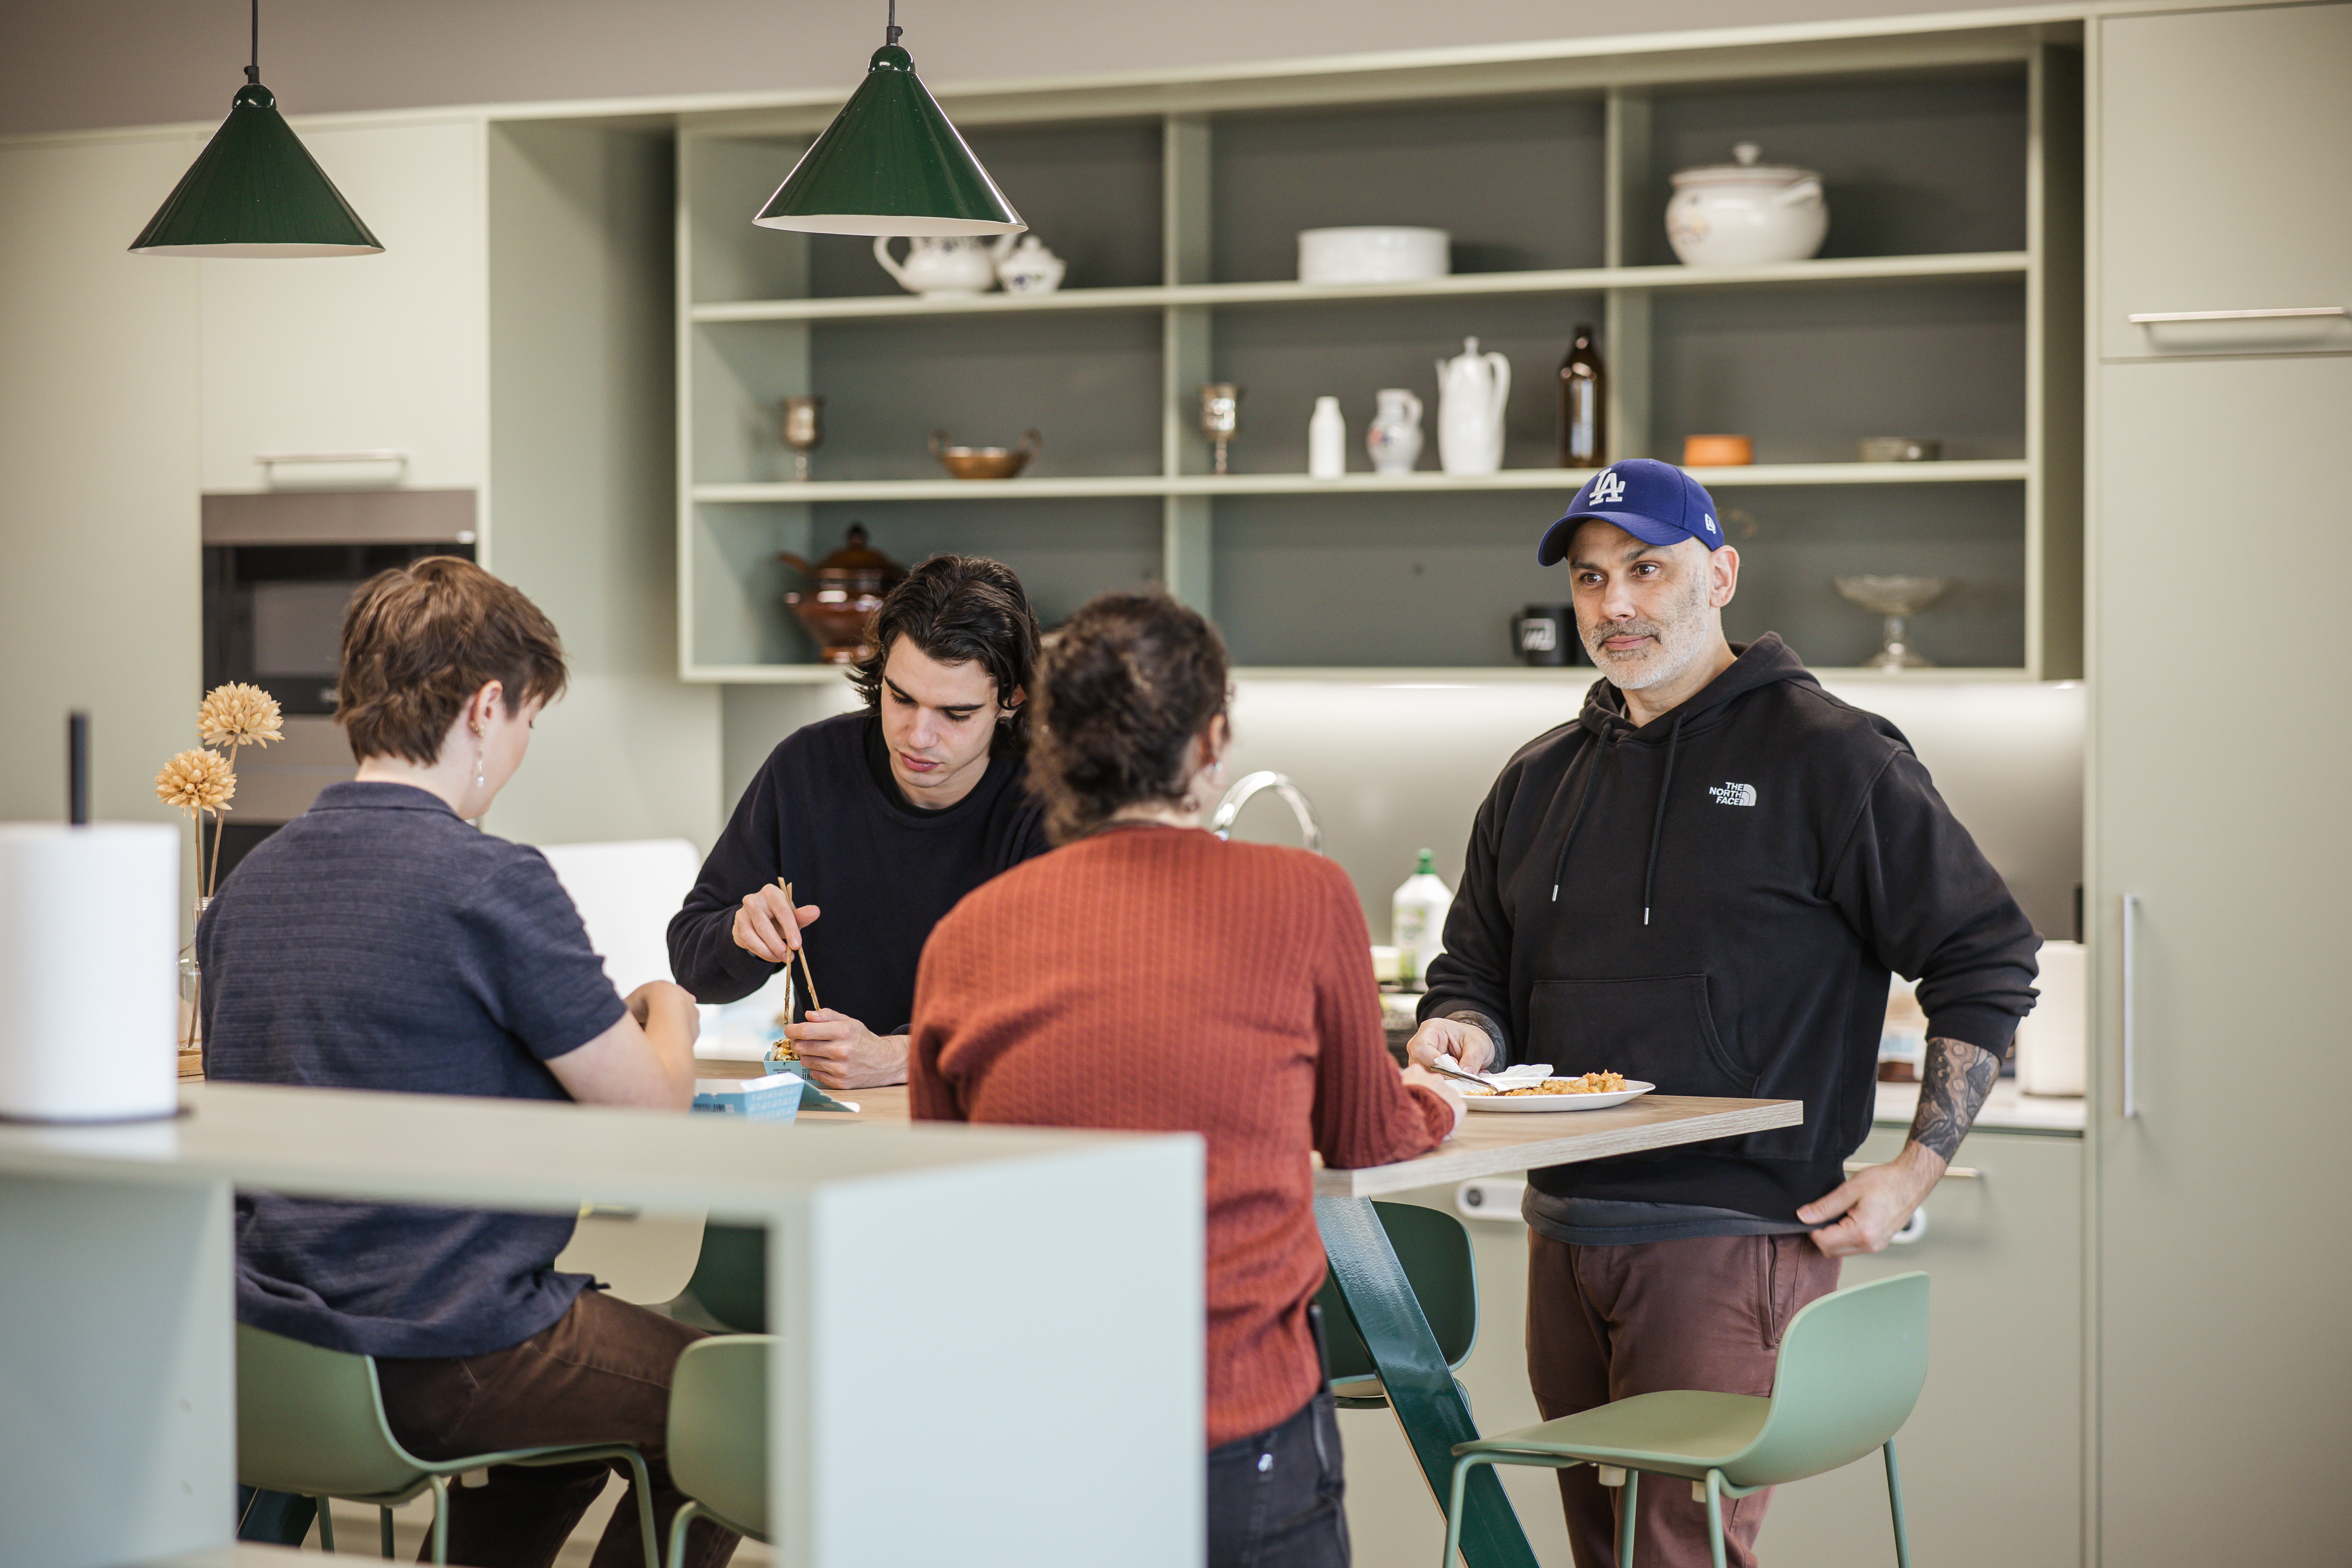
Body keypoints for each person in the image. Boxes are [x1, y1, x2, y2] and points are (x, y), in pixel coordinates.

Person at [1408, 459, 2039, 1568]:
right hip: (1563, 1232)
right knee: (1600, 1549)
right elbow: (1475, 972)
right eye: (1593, 578)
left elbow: (1983, 952)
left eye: (1647, 569)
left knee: (1679, 1553)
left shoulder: (1831, 757)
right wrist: (1460, 1025)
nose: (1615, 605)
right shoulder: (1538, 776)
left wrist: (1914, 1167)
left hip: (1733, 1238)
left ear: (1722, 573)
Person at [908, 591, 1465, 1568]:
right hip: (1237, 1425)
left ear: (1042, 740)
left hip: (1035, 1438)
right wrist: (1437, 1100)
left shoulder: (965, 935)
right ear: (1211, 742)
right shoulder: (1303, 894)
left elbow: (944, 1205)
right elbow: (1369, 1134)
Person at [199, 557, 733, 1568]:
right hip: (443, 1351)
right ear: (487, 706)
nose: (522, 745)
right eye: (529, 720)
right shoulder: (491, 882)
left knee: (571, 1417)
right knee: (732, 1408)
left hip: (270, 1353)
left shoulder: (249, 883)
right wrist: (672, 1011)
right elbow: (654, 1117)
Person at [668, 554, 1050, 1088]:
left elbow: (1059, 1016)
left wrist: (902, 1056)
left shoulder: (1051, 801)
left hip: (987, 1118)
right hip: (833, 1126)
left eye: (955, 714)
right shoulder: (806, 767)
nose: (918, 735)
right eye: (902, 698)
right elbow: (691, 966)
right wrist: (740, 936)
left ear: (1011, 701)